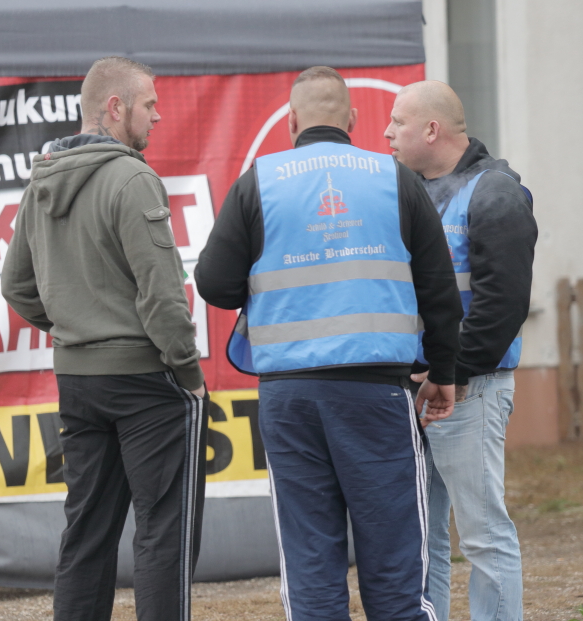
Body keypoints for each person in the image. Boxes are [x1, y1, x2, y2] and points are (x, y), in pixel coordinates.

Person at [196, 66, 462, 621]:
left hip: (289, 398)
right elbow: (440, 291)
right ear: (353, 119)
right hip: (377, 395)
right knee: (395, 559)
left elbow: (214, 283)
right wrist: (442, 372)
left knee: (310, 558)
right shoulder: (394, 179)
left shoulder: (259, 181)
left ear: (292, 121)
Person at [1, 56, 207, 621]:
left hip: (78, 381)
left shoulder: (41, 181)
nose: (157, 116)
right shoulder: (133, 178)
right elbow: (163, 296)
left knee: (87, 532)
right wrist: (189, 375)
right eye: (150, 104)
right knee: (163, 533)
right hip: (146, 382)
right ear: (115, 108)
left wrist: (77, 330)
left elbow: (16, 286)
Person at [384, 80, 537, 621]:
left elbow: (503, 306)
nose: (386, 132)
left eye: (398, 121)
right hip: (416, 388)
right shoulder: (410, 191)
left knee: (483, 534)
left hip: (470, 388)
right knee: (421, 536)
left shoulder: (494, 194)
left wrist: (448, 372)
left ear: (432, 130)